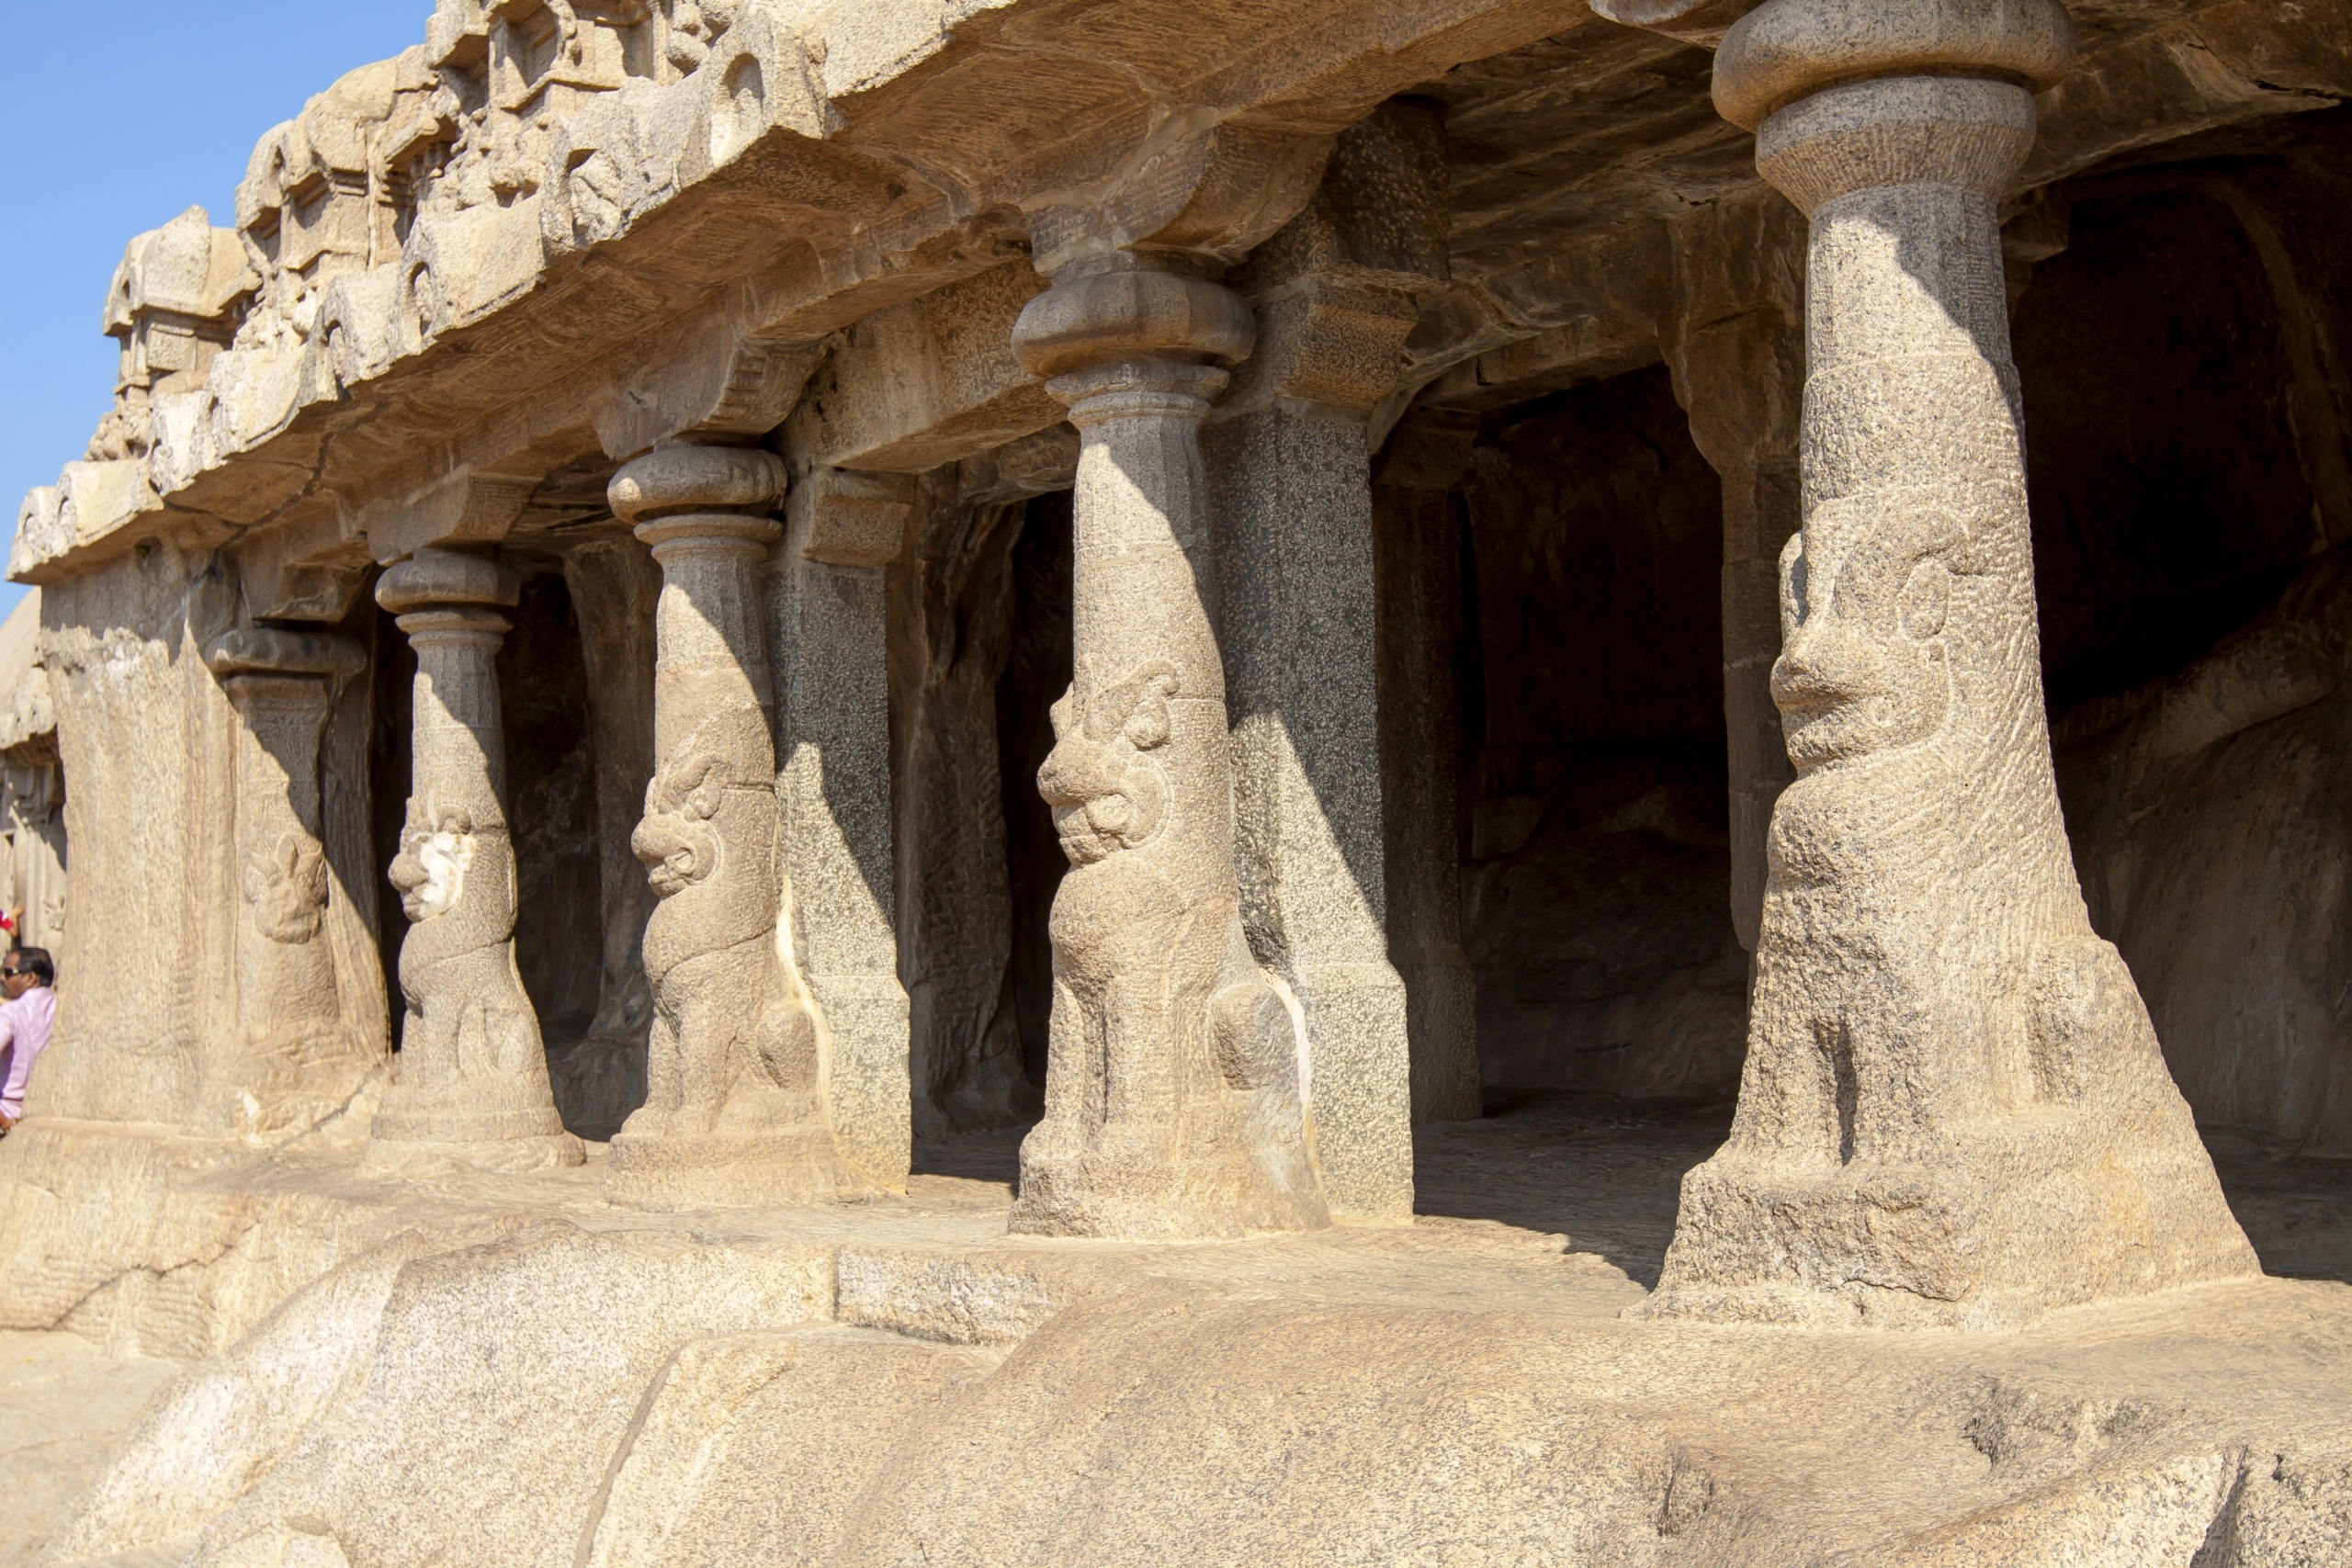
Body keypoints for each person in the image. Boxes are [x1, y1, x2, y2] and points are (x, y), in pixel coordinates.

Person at [0, 948, 55, 1134]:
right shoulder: (62, 1009)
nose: (3, 978)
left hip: (8, 1112)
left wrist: (4, 1122)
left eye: (9, 972)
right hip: (48, 1114)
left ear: (31, 978)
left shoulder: (12, 1013)